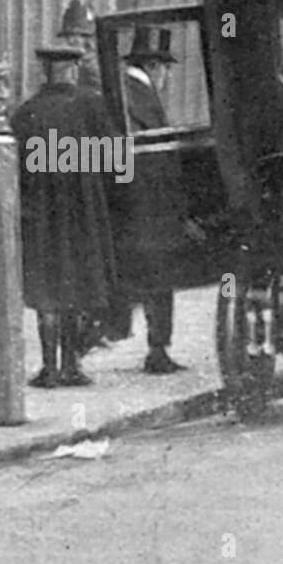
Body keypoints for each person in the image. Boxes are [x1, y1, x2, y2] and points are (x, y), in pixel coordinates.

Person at [11, 44, 122, 388]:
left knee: (47, 290)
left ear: (45, 72)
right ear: (73, 69)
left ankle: (49, 369)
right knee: (77, 285)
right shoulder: (92, 107)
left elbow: (12, 169)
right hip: (82, 214)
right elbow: (117, 161)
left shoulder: (26, 113)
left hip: (41, 215)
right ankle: (72, 364)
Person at [117, 26, 191, 375]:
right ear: (155, 67)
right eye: (166, 69)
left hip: (137, 204)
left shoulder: (128, 91)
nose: (167, 77)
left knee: (148, 279)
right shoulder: (138, 95)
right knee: (158, 278)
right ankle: (157, 350)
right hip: (150, 204)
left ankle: (156, 346)